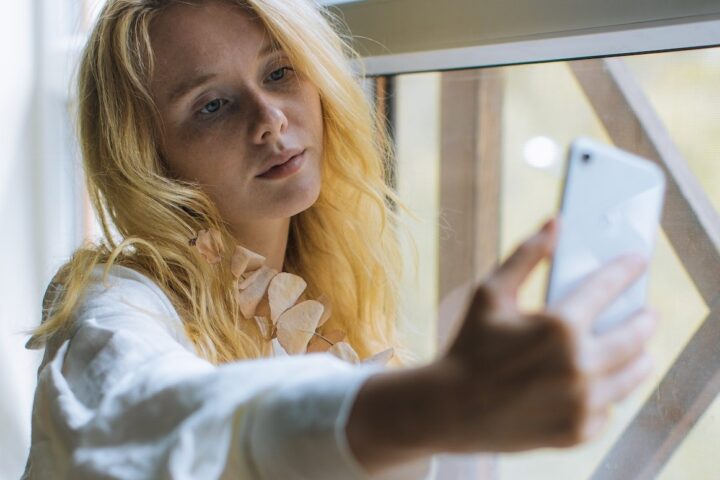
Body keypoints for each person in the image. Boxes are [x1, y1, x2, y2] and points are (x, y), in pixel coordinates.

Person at [22, 0, 659, 478]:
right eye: (210, 105)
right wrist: (442, 400)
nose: (271, 120)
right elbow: (139, 421)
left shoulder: (328, 304)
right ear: (147, 157)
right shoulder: (111, 300)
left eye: (277, 73)